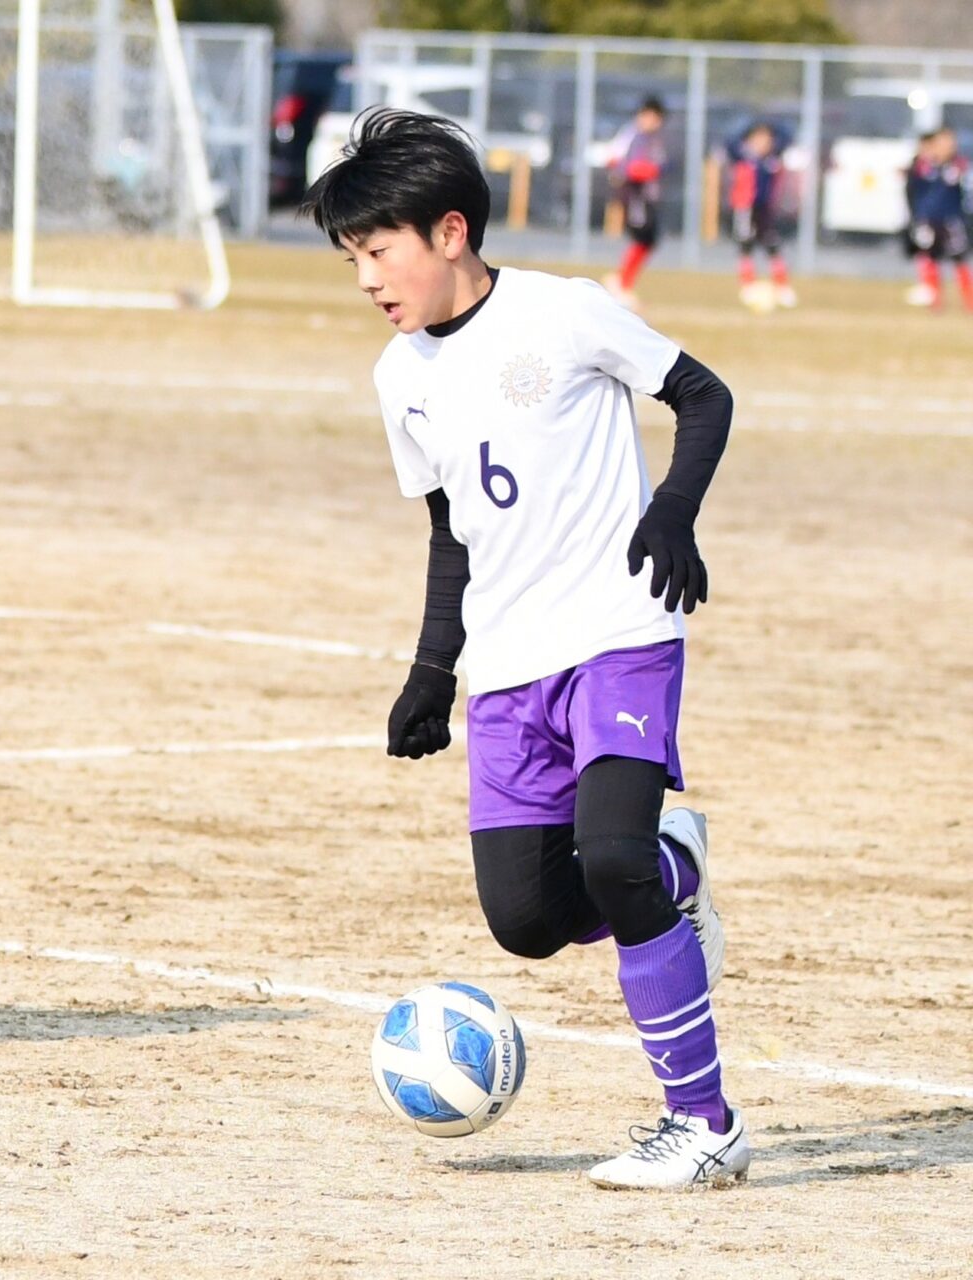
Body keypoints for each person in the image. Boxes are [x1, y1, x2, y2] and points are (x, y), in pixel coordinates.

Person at [305, 109, 743, 1190]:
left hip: (619, 631)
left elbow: (702, 394)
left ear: (451, 231)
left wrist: (673, 509)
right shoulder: (399, 376)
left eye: (379, 250)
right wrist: (430, 671)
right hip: (506, 666)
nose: (367, 278)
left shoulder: (564, 312)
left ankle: (703, 1123)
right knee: (528, 918)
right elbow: (451, 532)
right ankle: (678, 862)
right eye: (353, 258)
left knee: (613, 860)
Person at [603, 97, 666, 311]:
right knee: (641, 237)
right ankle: (622, 283)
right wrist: (638, 171)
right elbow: (616, 162)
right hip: (635, 195)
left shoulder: (653, 139)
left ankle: (622, 281)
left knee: (649, 239)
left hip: (647, 196)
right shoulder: (631, 136)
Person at [726, 121, 795, 311]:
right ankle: (747, 286)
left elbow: (788, 136)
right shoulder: (743, 156)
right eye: (757, 138)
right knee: (745, 245)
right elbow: (730, 141)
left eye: (766, 139)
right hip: (745, 207)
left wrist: (771, 126)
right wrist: (748, 126)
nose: (762, 142)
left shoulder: (772, 158)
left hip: (765, 210)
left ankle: (782, 287)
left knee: (772, 245)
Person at [903, 128, 972, 310]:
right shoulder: (922, 166)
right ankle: (933, 301)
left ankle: (970, 302)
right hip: (927, 219)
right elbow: (911, 189)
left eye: (950, 143)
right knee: (928, 257)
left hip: (951, 220)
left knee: (959, 259)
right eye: (943, 142)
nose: (948, 146)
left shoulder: (958, 166)